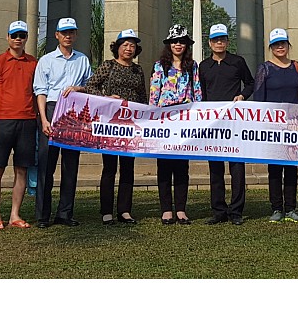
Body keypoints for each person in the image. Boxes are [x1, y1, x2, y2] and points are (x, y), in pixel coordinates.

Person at [83, 28, 146, 224]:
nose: (129, 49)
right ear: (117, 47)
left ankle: (125, 210)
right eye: (125, 45)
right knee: (109, 168)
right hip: (110, 124)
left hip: (131, 125)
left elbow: (143, 96)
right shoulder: (107, 66)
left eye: (132, 45)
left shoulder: (138, 70)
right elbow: (90, 86)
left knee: (128, 168)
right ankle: (106, 211)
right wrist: (106, 98)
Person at [33, 15, 92, 227]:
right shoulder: (46, 60)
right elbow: (40, 91)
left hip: (74, 113)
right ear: (57, 35)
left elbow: (90, 87)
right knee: (46, 166)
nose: (68, 36)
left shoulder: (82, 60)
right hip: (51, 109)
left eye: (71, 32)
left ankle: (65, 213)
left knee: (70, 165)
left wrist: (78, 88)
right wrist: (43, 119)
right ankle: (42, 215)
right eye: (64, 32)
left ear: (75, 34)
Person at [0, 19, 38, 229]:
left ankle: (15, 214)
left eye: (21, 36)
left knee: (21, 169)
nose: (18, 39)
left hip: (27, 121)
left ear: (26, 38)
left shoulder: (33, 62)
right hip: (2, 121)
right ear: (7, 37)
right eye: (14, 35)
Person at [198, 22, 254, 225]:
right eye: (215, 40)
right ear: (210, 43)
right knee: (215, 168)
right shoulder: (203, 66)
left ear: (227, 41)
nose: (219, 43)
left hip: (234, 121)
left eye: (222, 39)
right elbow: (201, 92)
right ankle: (219, 210)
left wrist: (242, 95)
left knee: (237, 167)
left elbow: (250, 83)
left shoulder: (238, 62)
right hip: (212, 124)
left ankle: (236, 211)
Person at [252, 27, 298, 223]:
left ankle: (291, 208)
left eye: (283, 43)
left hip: (294, 126)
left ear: (288, 45)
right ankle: (277, 208)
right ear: (271, 47)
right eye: (276, 44)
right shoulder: (265, 68)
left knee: (292, 166)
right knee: (275, 168)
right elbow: (259, 97)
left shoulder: (297, 66)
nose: (280, 47)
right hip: (273, 126)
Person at [150, 23, 203, 224]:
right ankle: (166, 210)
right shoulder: (160, 66)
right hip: (164, 120)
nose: (178, 45)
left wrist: (199, 115)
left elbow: (197, 91)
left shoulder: (193, 66)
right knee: (164, 166)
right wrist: (152, 117)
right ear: (169, 44)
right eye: (174, 41)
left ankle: (181, 209)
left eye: (181, 41)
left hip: (185, 121)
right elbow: (154, 92)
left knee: (182, 166)